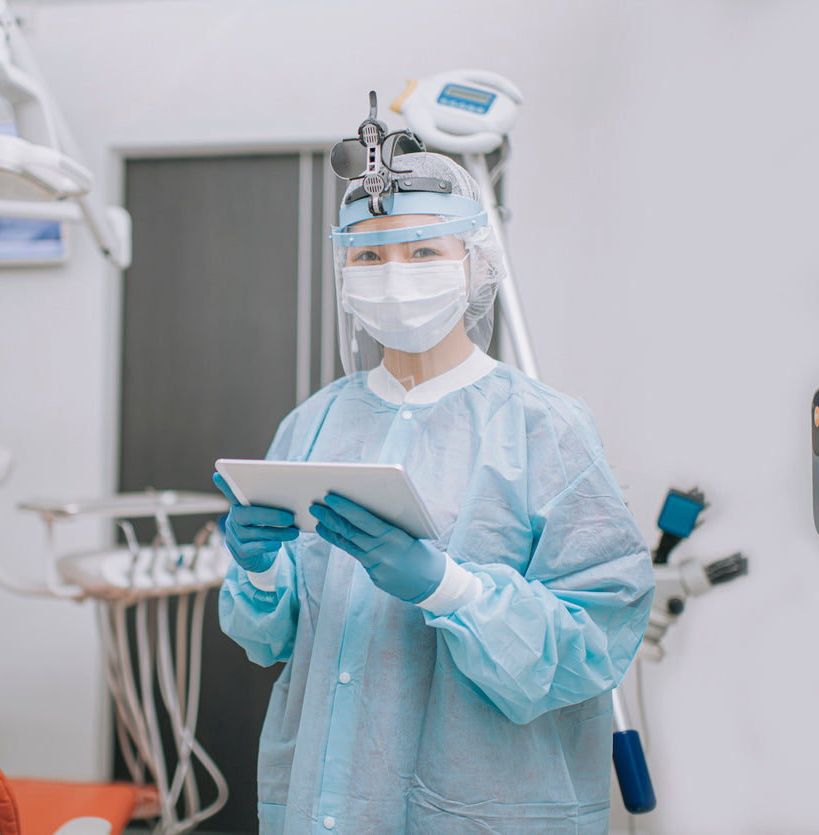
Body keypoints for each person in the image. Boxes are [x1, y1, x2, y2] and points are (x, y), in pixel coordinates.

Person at [214, 101, 654, 834]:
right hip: (325, 803)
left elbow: (595, 641)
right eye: (368, 257)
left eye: (422, 253)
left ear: (475, 264)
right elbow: (271, 638)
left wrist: (447, 588)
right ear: (343, 272)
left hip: (483, 805)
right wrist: (259, 570)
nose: (393, 276)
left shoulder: (543, 426)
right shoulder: (313, 423)